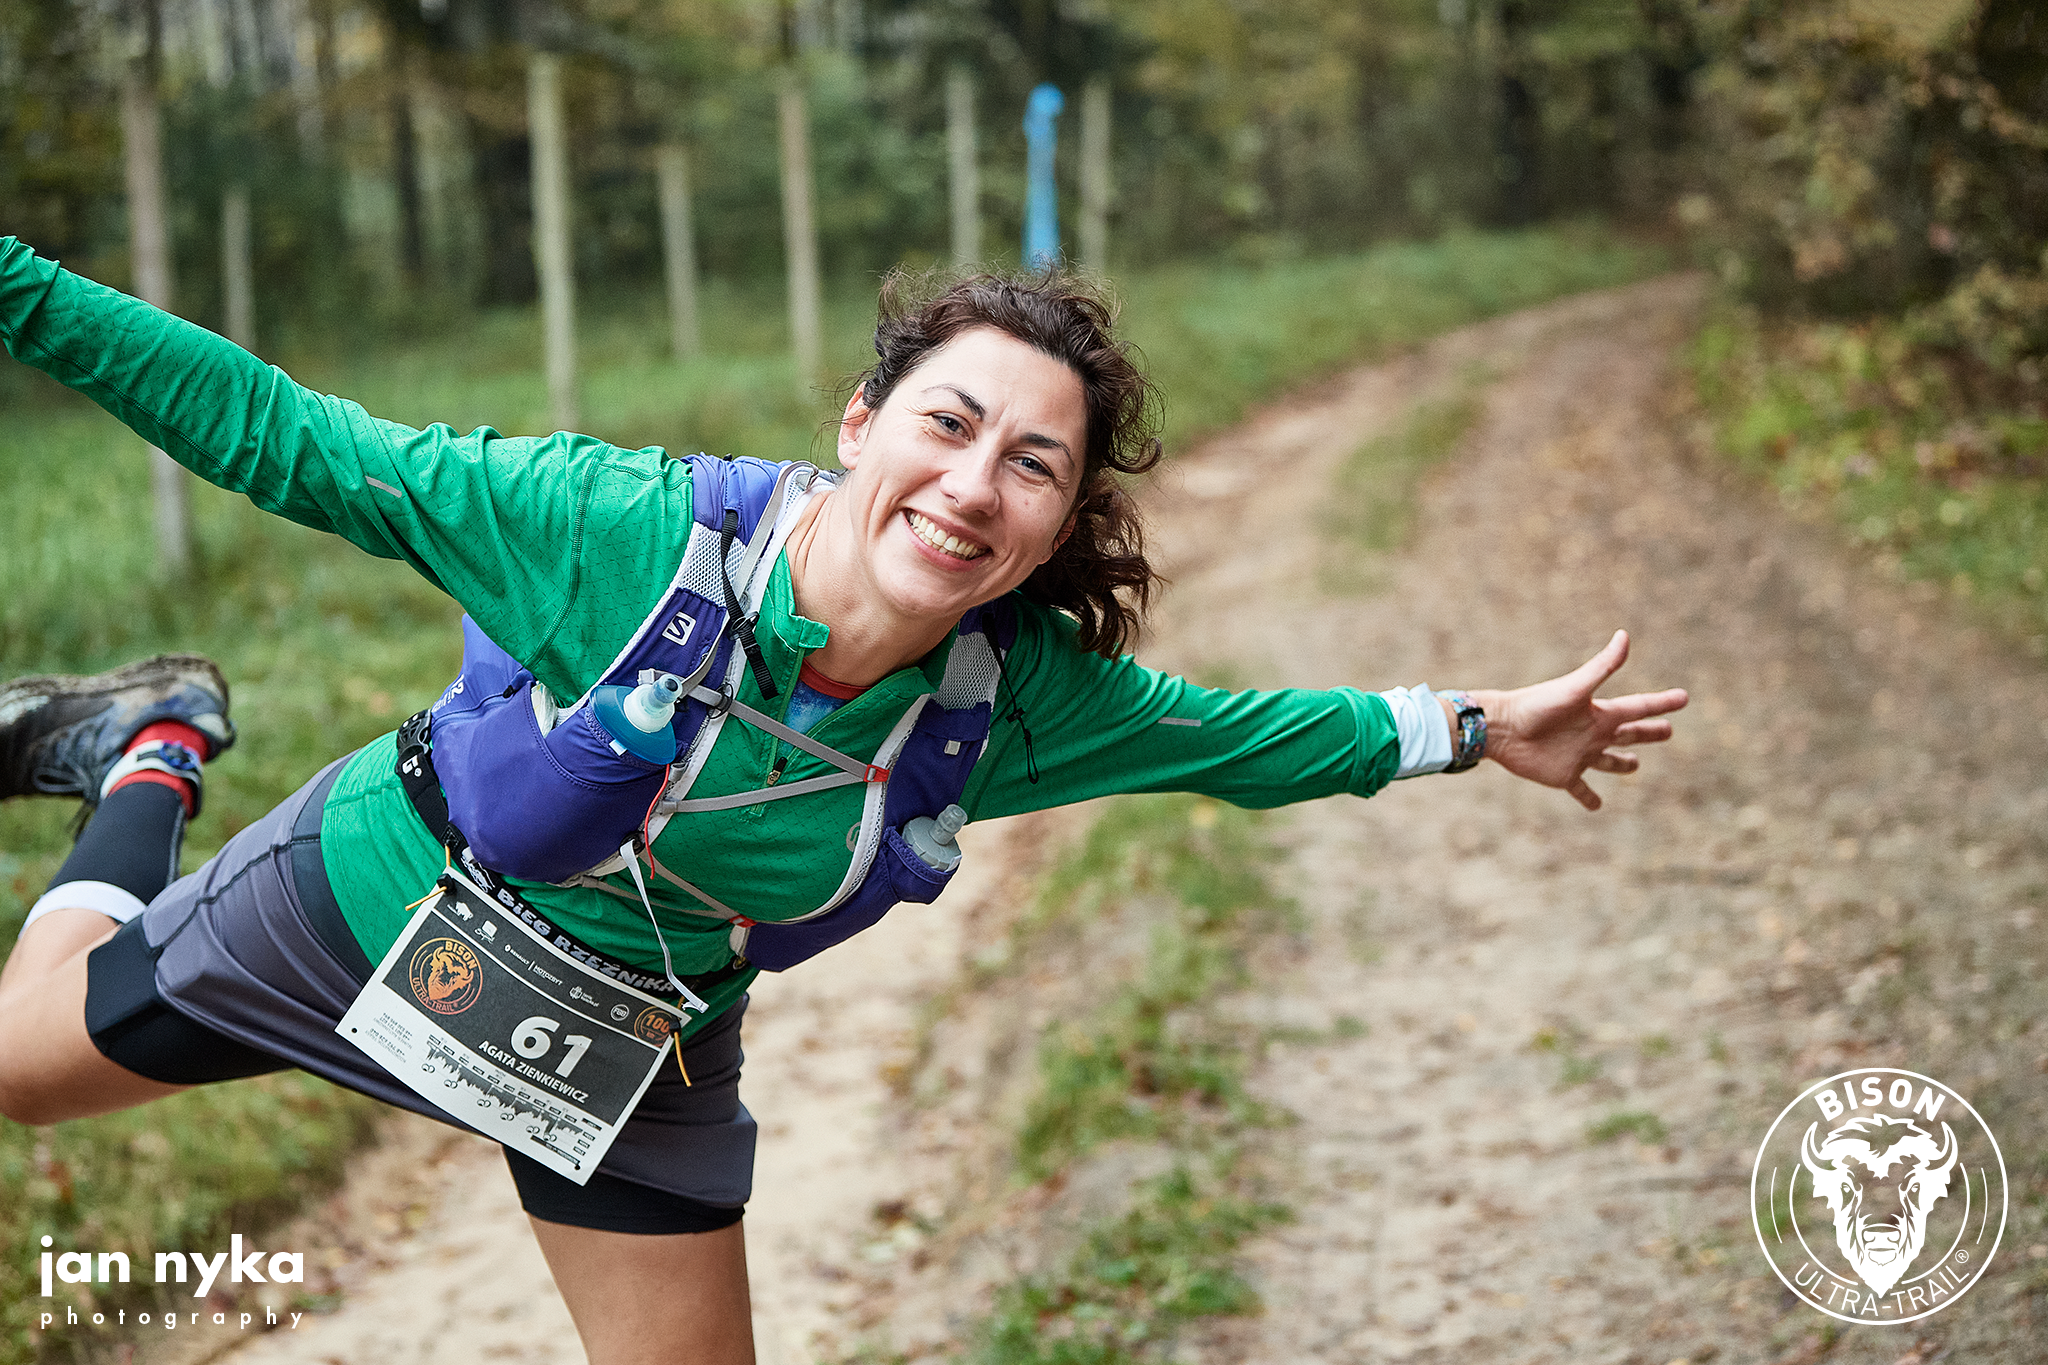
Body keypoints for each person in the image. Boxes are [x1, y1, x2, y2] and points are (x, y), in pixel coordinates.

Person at [0, 235, 1685, 1364]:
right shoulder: (608, 530)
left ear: (1057, 521)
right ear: (861, 422)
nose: (974, 486)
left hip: (629, 1049)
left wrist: (1480, 726)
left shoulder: (1012, 703)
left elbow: (1244, 740)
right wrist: (14, 286)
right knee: (24, 1075)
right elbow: (282, 436)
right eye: (947, 427)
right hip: (372, 908)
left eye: (1034, 465)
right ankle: (152, 749)